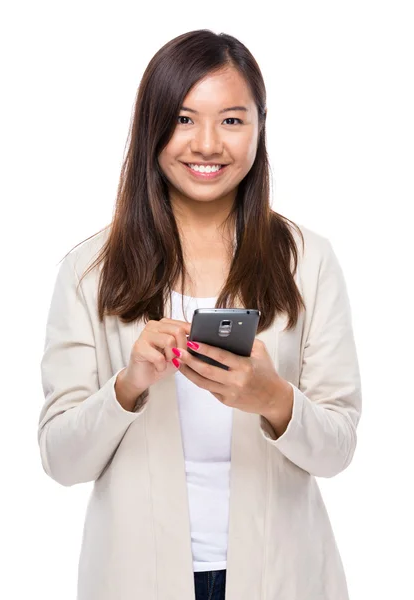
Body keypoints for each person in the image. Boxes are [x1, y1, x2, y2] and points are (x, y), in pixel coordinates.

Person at [37, 29, 362, 600]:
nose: (207, 144)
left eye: (232, 121)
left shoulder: (307, 261)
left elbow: (338, 449)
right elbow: (62, 461)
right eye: (185, 119)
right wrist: (129, 385)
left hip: (282, 576)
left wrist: (273, 399)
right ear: (151, 128)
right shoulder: (90, 270)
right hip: (134, 579)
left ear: (260, 128)